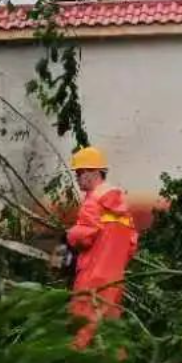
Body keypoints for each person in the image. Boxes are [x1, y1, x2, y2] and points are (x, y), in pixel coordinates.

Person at [65, 146, 138, 349]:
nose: (78, 178)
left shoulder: (93, 201)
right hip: (114, 282)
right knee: (111, 335)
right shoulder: (122, 206)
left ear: (94, 172)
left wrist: (69, 235)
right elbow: (131, 245)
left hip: (91, 279)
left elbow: (85, 236)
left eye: (80, 173)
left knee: (81, 333)